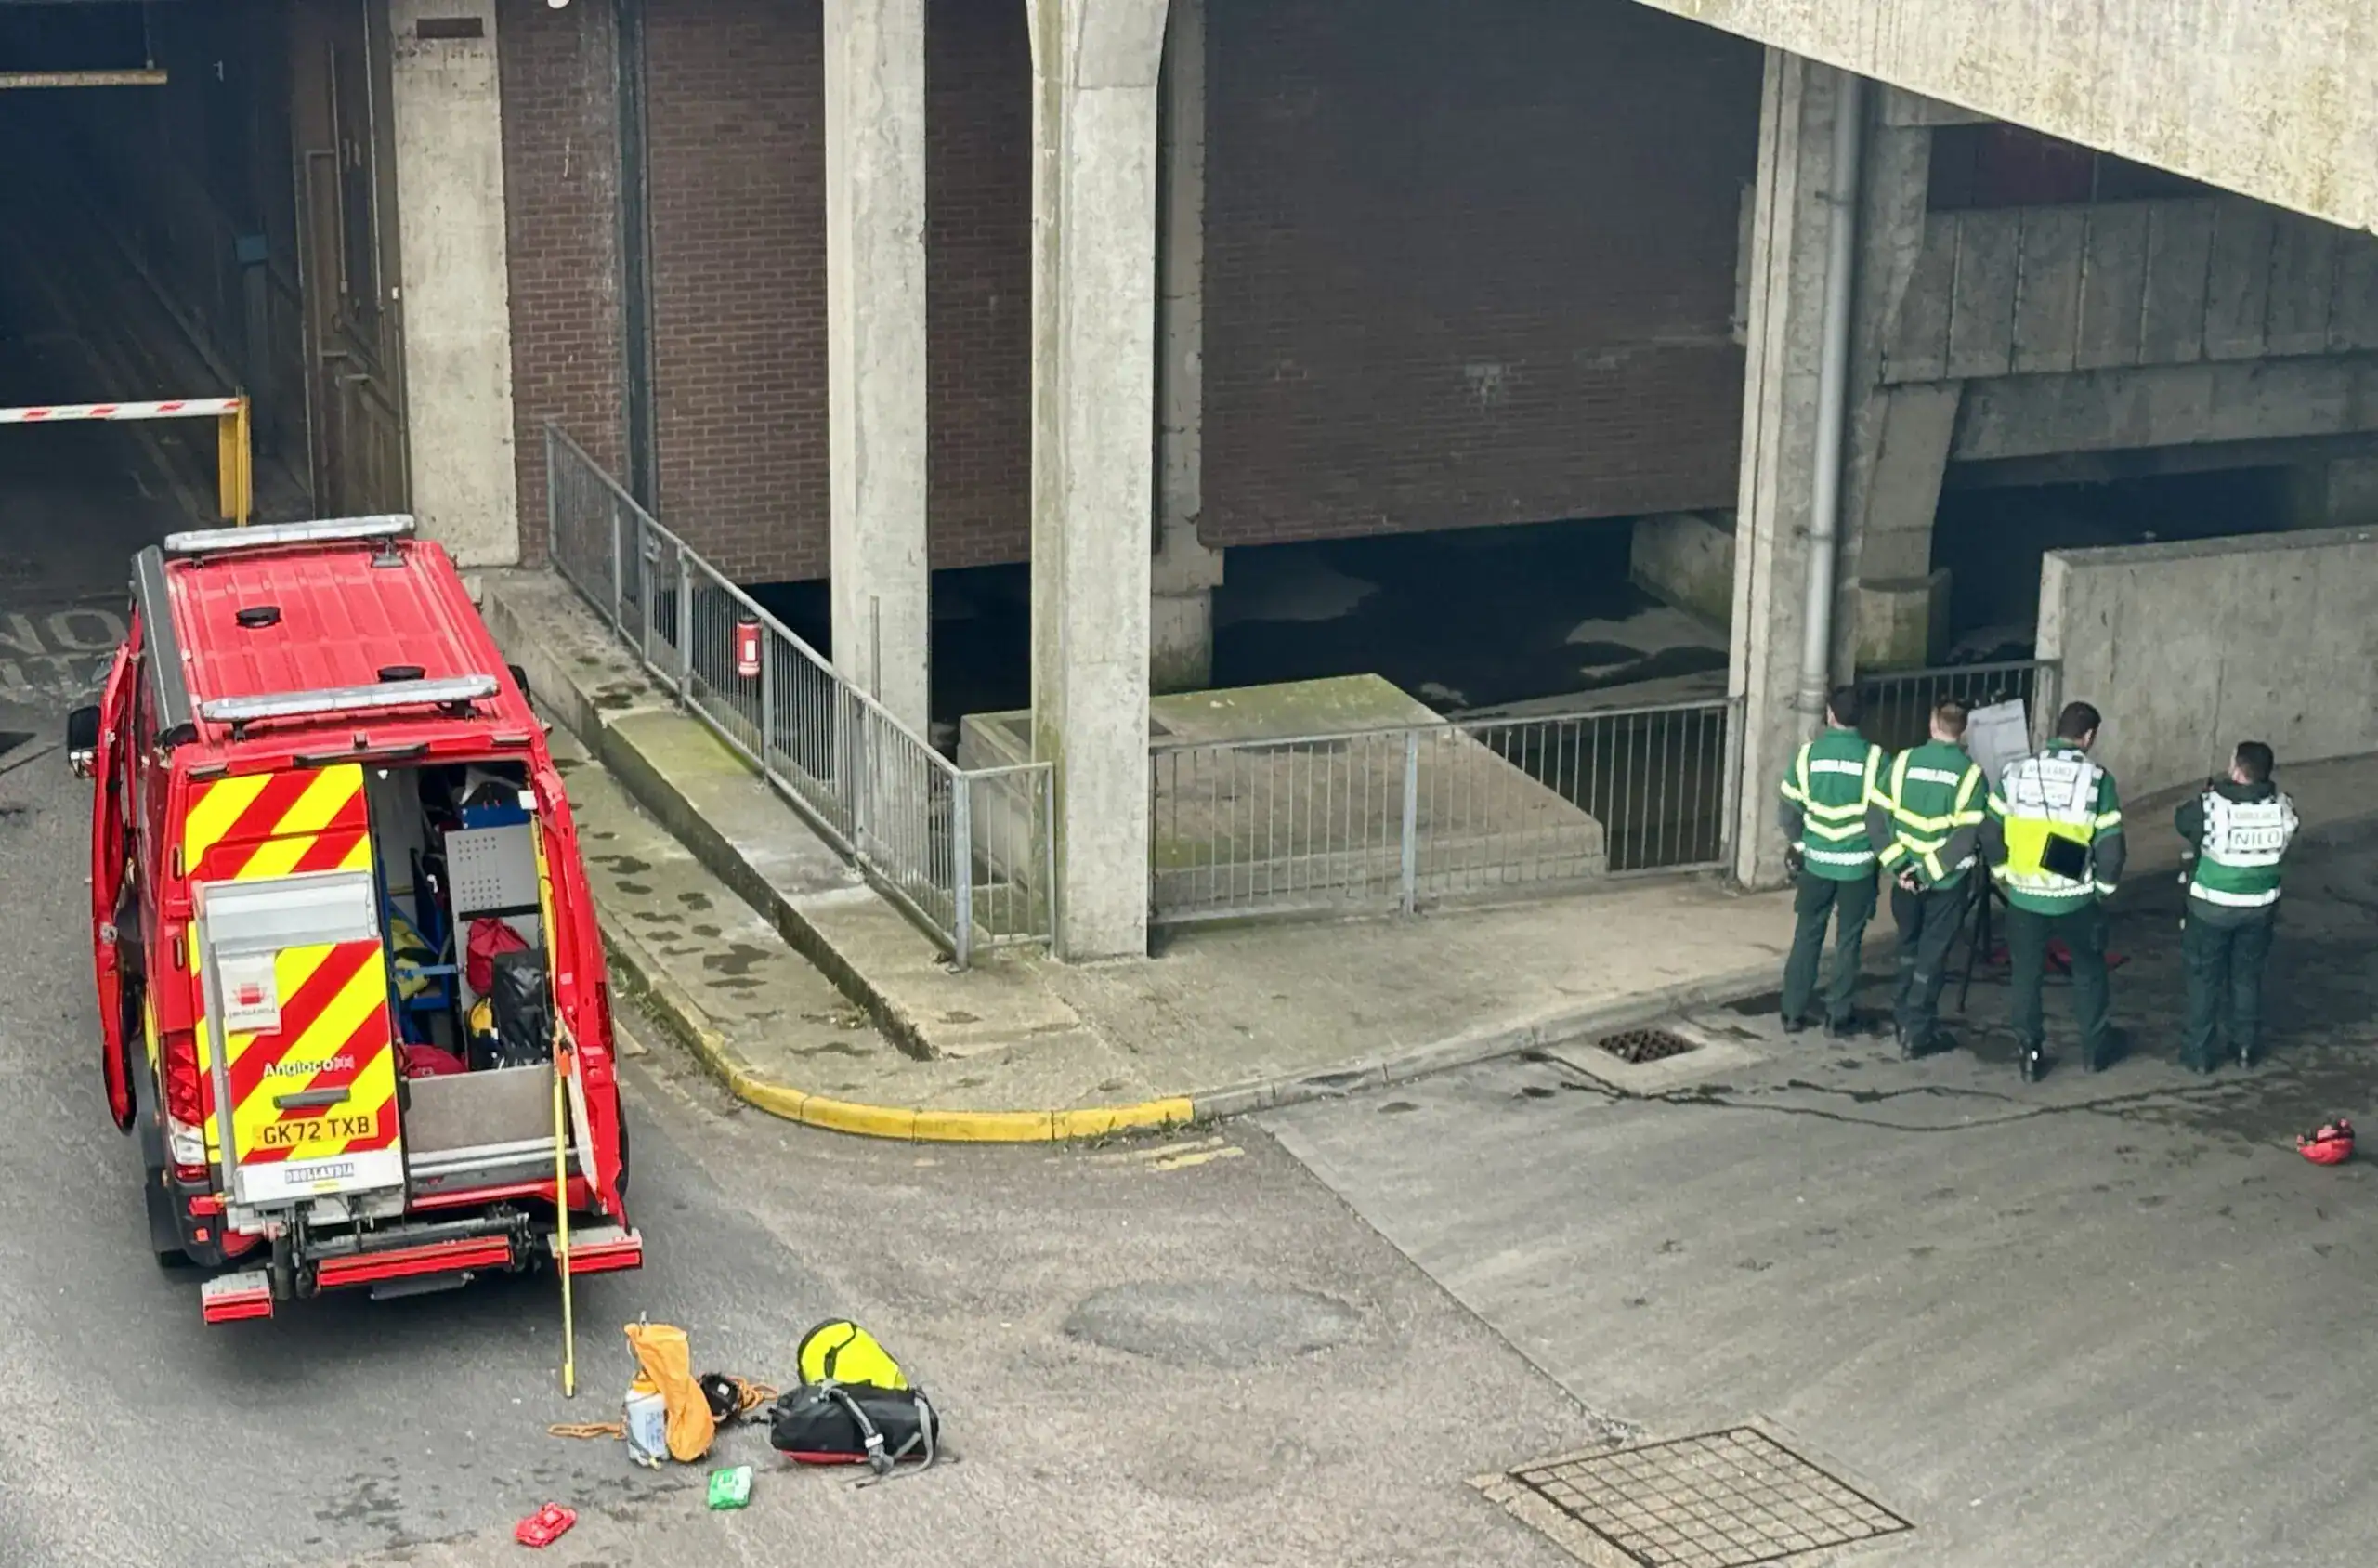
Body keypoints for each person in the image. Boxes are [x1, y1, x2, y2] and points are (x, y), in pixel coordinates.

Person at [1982, 700, 2124, 1081]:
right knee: (2089, 969)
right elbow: (2111, 848)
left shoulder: (2015, 772)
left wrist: (2002, 873)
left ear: (2055, 730)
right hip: (2076, 898)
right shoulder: (2098, 780)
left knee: (2026, 974)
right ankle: (2095, 1050)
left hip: (2024, 897)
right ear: (2088, 736)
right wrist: (2103, 889)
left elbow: (1990, 830)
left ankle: (2030, 1053)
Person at [1868, 698, 1986, 1060]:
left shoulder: (1903, 762)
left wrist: (1901, 868)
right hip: (1945, 884)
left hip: (1905, 882)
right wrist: (1927, 873)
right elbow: (1965, 838)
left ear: (1933, 723)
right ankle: (1917, 1032)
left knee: (1908, 947)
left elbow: (1876, 819)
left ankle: (1902, 1014)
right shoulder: (1971, 776)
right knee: (1931, 957)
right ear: (1963, 730)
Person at [2174, 740, 2299, 1072]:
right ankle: (2244, 1047)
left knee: (2204, 979)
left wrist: (2211, 793)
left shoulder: (2211, 807)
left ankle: (2199, 1054)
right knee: (2246, 977)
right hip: (2259, 908)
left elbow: (2184, 822)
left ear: (2238, 771)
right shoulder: (2283, 810)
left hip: (2210, 907)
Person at [1777, 686, 1887, 1037]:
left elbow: (1788, 810)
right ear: (1862, 717)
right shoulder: (1876, 760)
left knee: (1807, 934)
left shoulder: (1808, 756)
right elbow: (1884, 818)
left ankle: (1792, 1012)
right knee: (1848, 940)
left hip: (1816, 863)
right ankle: (1838, 1016)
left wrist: (1801, 845)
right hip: (1858, 865)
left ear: (1829, 714)